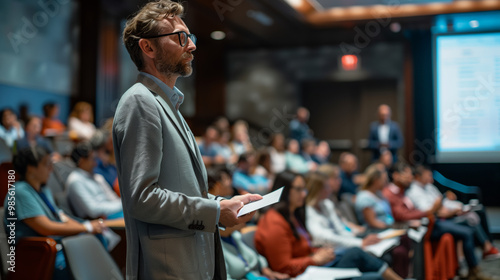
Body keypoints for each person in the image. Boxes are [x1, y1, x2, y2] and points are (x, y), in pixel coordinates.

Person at [114, 1, 261, 279]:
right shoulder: (139, 101)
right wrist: (215, 212)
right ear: (148, 47)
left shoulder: (170, 106)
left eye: (189, 37)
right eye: (180, 38)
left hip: (195, 260)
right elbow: (142, 198)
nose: (191, 46)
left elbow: (184, 189)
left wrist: (223, 203)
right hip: (169, 268)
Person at [255, 171, 402, 280]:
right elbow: (282, 266)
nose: (304, 194)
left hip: (311, 267)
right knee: (370, 272)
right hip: (302, 274)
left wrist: (320, 252)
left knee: (361, 259)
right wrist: (314, 259)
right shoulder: (274, 222)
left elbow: (305, 246)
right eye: (299, 189)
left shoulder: (293, 214)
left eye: (304, 189)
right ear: (285, 191)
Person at [3, 146, 105, 280]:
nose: (51, 169)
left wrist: (87, 228)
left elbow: (61, 217)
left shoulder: (44, 189)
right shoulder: (20, 192)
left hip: (56, 246)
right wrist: (86, 228)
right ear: (31, 168)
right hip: (37, 255)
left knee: (96, 239)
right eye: (47, 164)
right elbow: (46, 228)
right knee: (87, 253)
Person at [384, 163, 494, 280]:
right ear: (396, 175)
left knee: (470, 223)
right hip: (421, 226)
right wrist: (432, 210)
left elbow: (415, 210)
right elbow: (403, 215)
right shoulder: (395, 193)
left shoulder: (407, 190)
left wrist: (441, 205)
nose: (409, 177)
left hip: (428, 222)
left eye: (410, 174)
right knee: (467, 230)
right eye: (406, 174)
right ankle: (475, 267)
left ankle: (474, 264)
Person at [407, 165, 500, 261]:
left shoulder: (429, 187)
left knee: (476, 213)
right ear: (418, 176)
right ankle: (483, 253)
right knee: (469, 224)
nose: (431, 179)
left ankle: (487, 248)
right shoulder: (413, 191)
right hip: (434, 223)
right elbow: (429, 211)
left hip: (444, 216)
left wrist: (457, 206)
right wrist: (445, 207)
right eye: (428, 175)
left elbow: (443, 202)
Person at [305, 170, 381, 250]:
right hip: (330, 249)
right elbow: (324, 237)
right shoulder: (308, 211)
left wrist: (358, 240)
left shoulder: (327, 204)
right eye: (326, 186)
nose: (329, 189)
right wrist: (359, 242)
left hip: (342, 243)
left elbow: (340, 230)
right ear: (317, 189)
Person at [66, 142, 123, 219]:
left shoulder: (97, 177)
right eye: (92, 159)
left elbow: (113, 199)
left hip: (114, 212)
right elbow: (93, 210)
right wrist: (123, 205)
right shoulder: (75, 180)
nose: (95, 163)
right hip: (100, 221)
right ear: (82, 161)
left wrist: (123, 205)